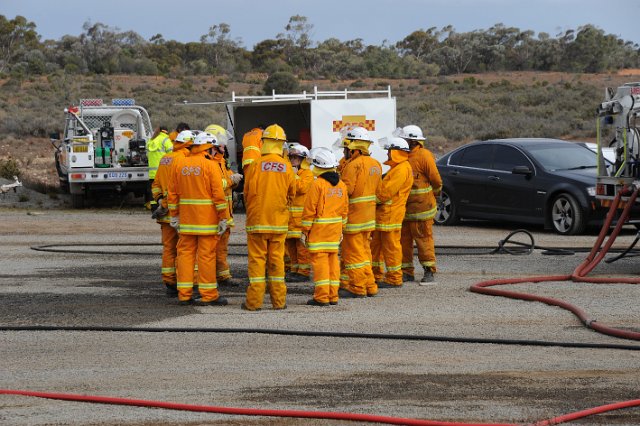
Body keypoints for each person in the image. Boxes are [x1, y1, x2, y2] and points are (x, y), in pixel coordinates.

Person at [167, 131, 230, 306]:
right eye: (214, 149)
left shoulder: (180, 165)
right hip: (207, 223)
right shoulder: (210, 166)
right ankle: (209, 294)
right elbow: (218, 195)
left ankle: (184, 295)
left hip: (186, 222)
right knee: (206, 257)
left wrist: (174, 216)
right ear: (208, 148)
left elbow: (172, 193)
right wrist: (223, 218)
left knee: (185, 256)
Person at [242, 124, 296, 311]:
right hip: (279, 223)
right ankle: (279, 302)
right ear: (281, 144)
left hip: (258, 222)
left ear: (264, 142)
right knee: (277, 262)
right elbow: (292, 193)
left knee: (257, 263)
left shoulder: (256, 164)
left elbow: (247, 192)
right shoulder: (287, 166)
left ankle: (254, 302)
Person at [338, 127, 382, 298]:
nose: (344, 152)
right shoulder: (376, 164)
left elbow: (346, 191)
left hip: (354, 219)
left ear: (354, 148)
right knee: (365, 254)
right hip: (369, 218)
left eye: (345, 149)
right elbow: (379, 191)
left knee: (353, 255)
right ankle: (370, 285)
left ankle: (356, 288)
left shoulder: (353, 166)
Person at [302, 148, 349, 306]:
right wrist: (341, 229)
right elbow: (344, 210)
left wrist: (305, 231)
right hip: (334, 232)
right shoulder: (341, 185)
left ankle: (321, 297)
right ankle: (333, 296)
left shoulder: (317, 184)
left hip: (319, 232)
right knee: (333, 263)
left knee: (321, 264)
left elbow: (310, 209)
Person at [150, 130, 195, 297]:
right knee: (185, 250)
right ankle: (186, 283)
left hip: (165, 213)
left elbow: (155, 184)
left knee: (169, 248)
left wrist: (161, 201)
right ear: (189, 145)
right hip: (180, 213)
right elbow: (181, 188)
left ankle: (169, 282)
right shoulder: (185, 160)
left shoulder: (165, 158)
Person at [399, 125, 443, 284]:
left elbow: (436, 180)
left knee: (424, 240)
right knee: (403, 243)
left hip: (422, 209)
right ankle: (406, 272)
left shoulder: (424, 156)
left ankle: (429, 271)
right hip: (404, 210)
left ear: (411, 141)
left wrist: (435, 194)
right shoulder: (402, 156)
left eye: (404, 139)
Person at [371, 137, 414, 288]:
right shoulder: (397, 168)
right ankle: (375, 274)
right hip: (385, 215)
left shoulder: (402, 169)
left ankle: (394, 278)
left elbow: (385, 193)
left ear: (396, 152)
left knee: (391, 248)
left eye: (390, 151)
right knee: (376, 246)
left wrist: (370, 199)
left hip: (390, 215)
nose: (388, 154)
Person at [204, 124, 243, 286]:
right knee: (211, 250)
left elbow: (224, 180)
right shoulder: (208, 162)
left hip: (224, 214)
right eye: (222, 143)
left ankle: (222, 275)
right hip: (214, 215)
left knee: (221, 249)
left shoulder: (220, 161)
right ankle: (209, 278)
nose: (224, 146)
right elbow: (213, 185)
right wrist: (230, 181)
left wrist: (233, 180)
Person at [285, 143, 314, 282]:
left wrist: (294, 176)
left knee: (301, 247)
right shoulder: (290, 172)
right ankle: (294, 269)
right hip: (289, 218)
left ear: (303, 159)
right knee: (291, 247)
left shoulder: (307, 174)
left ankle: (303, 272)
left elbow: (301, 188)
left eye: (296, 157)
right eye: (291, 157)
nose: (292, 159)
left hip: (301, 219)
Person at [146, 126, 173, 209]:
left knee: (154, 190)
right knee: (163, 191)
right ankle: (163, 207)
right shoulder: (166, 140)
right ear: (166, 132)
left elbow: (147, 155)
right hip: (162, 172)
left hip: (151, 173)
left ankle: (153, 207)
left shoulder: (151, 140)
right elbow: (172, 155)